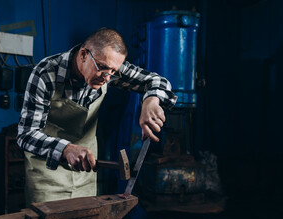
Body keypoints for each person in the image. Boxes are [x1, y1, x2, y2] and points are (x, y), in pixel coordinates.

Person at [17, 27, 177, 204]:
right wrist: (66, 149)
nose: (107, 78)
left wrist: (151, 100)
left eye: (113, 72)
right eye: (102, 68)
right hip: (47, 177)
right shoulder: (45, 74)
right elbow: (26, 134)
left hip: (85, 172)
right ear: (84, 55)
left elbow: (158, 81)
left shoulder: (111, 69)